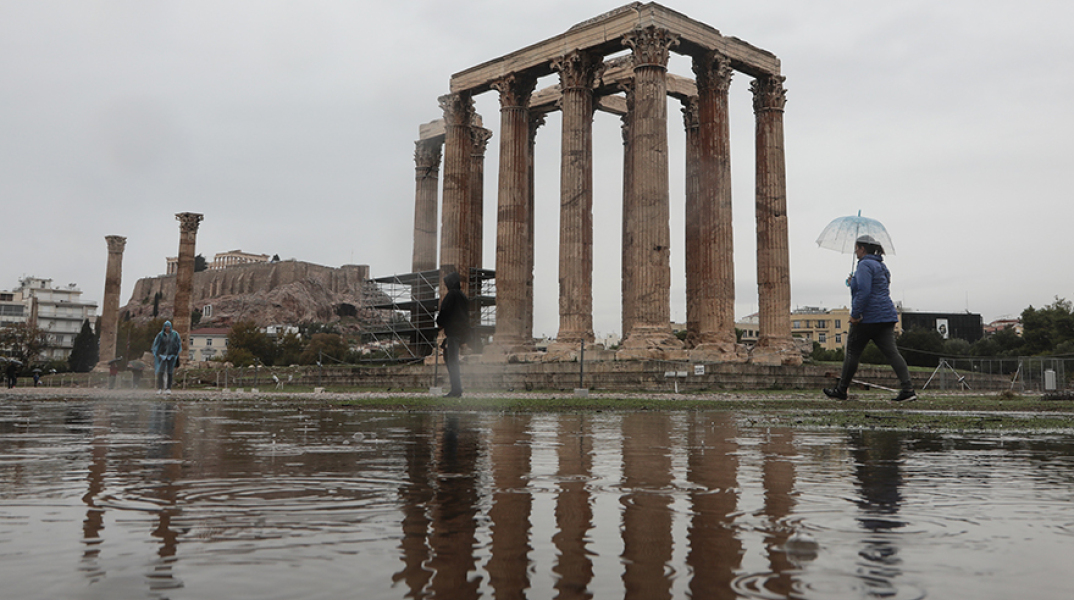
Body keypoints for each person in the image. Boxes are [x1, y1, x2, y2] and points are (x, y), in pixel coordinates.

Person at [824, 235, 917, 402]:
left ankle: (842, 390)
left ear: (862, 249)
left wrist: (855, 315)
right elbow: (879, 288)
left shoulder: (864, 265)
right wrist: (853, 282)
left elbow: (865, 292)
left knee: (852, 352)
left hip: (867, 318)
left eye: (856, 247)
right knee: (893, 353)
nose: (855, 251)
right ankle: (908, 388)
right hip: (886, 316)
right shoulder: (881, 265)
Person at [436, 270, 470, 398]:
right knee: (448, 357)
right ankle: (456, 388)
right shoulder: (463, 296)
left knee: (452, 360)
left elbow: (445, 312)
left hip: (453, 333)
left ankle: (456, 390)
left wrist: (440, 322)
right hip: (461, 333)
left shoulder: (451, 295)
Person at [152, 321, 182, 394]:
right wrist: (158, 354)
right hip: (162, 356)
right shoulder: (160, 335)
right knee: (161, 372)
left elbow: (178, 344)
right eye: (166, 326)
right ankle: (160, 388)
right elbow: (156, 345)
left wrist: (175, 353)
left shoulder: (175, 334)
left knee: (169, 372)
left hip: (171, 356)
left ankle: (168, 388)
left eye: (168, 326)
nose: (167, 328)